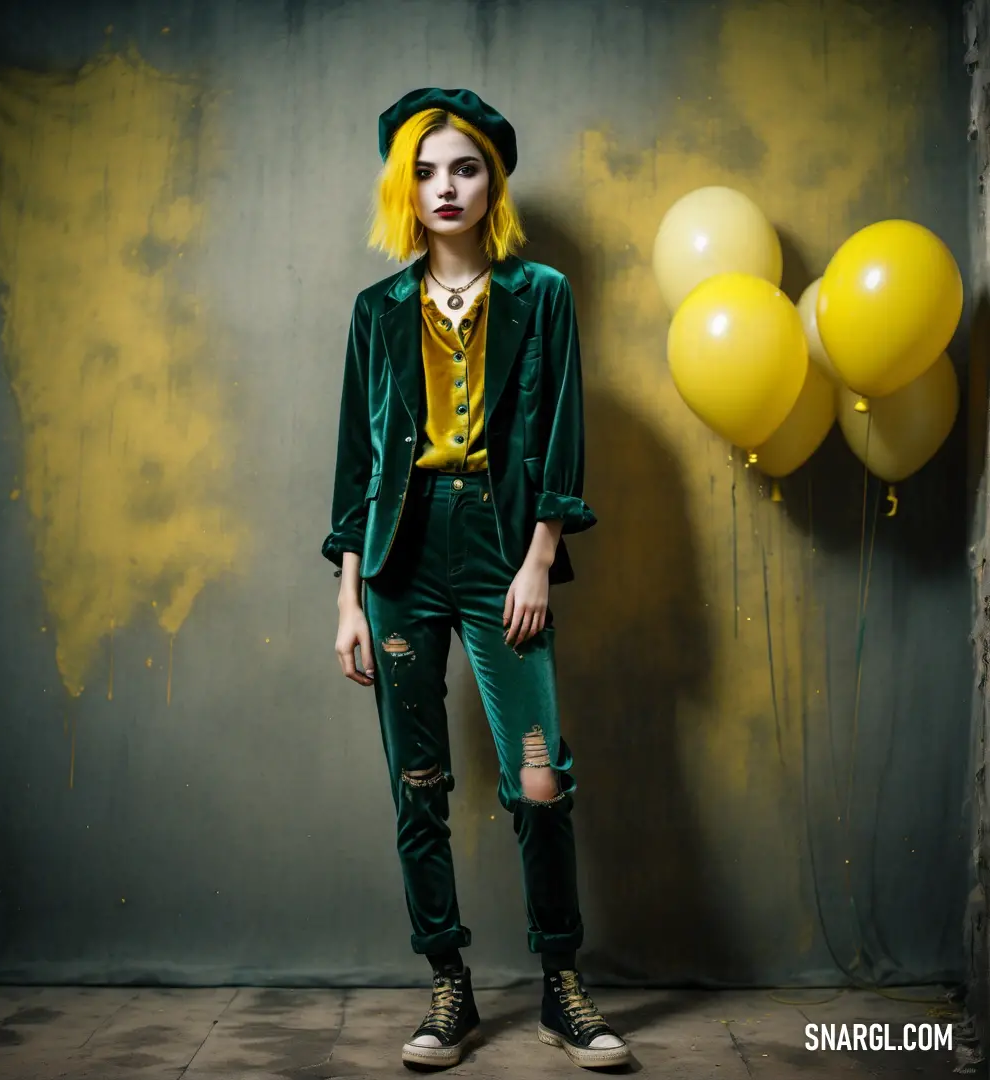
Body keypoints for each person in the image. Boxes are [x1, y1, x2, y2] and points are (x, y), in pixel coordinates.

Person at [322, 87, 630, 1071]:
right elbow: (355, 469)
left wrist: (540, 557)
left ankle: (560, 984)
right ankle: (446, 984)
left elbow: (559, 441)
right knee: (419, 784)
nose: (443, 187)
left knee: (537, 779)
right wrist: (348, 598)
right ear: (401, 189)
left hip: (503, 547)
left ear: (491, 179)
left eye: (463, 167)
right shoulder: (377, 312)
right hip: (399, 561)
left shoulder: (541, 296)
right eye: (423, 170)